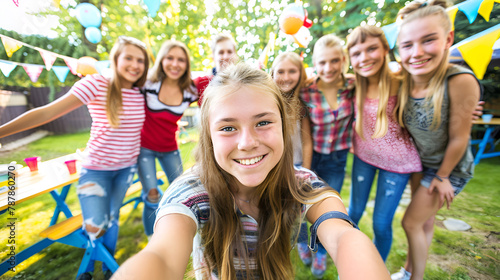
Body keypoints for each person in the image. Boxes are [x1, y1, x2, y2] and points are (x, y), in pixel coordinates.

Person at [111, 63, 390, 280]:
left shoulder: (301, 185)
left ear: (283, 124)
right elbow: (160, 256)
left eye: (263, 122)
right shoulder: (192, 192)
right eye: (228, 128)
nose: (247, 143)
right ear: (209, 136)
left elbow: (343, 237)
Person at [0, 36, 149, 280]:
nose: (134, 65)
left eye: (140, 60)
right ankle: (99, 269)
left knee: (111, 220)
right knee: (95, 225)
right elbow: (47, 112)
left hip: (126, 169)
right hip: (96, 170)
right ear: (116, 59)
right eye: (128, 58)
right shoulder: (96, 84)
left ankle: (95, 270)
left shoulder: (141, 92)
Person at [392, 1, 481, 279]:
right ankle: (409, 270)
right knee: (424, 221)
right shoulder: (403, 78)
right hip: (421, 164)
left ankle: (414, 277)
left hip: (449, 168)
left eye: (428, 40)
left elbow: (459, 138)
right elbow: (365, 77)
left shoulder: (459, 81)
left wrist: (442, 177)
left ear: (448, 39)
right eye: (407, 45)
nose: (417, 53)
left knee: (411, 222)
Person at [345, 25, 423, 263]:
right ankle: (350, 262)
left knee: (381, 223)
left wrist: (468, 107)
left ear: (386, 49)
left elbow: (435, 96)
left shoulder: (404, 82)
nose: (364, 58)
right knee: (353, 213)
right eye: (357, 53)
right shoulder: (353, 84)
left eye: (371, 49)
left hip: (397, 164)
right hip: (363, 157)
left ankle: (376, 269)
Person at [299, 34, 355, 278]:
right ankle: (303, 242)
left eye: (334, 61)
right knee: (300, 204)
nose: (328, 68)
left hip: (337, 158)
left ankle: (321, 253)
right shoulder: (307, 91)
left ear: (343, 60)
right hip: (314, 155)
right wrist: (306, 169)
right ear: (314, 63)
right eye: (322, 62)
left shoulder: (353, 86)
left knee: (330, 208)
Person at [138, 40, 198, 239]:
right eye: (170, 58)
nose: (175, 64)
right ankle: (152, 239)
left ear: (186, 64)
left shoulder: (190, 90)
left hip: (170, 148)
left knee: (182, 193)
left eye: (181, 60)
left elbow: (213, 91)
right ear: (162, 60)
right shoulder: (148, 83)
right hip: (144, 148)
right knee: (152, 194)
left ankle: (180, 234)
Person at [270, 52, 315, 267]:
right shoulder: (268, 102)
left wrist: (305, 170)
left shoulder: (302, 104)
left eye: (292, 71)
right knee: (279, 210)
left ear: (300, 74)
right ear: (272, 73)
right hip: (275, 165)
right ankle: (278, 246)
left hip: (297, 166)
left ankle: (302, 244)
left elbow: (307, 142)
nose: (286, 76)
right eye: (280, 71)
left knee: (298, 211)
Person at [195, 33, 238, 104]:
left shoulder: (247, 82)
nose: (225, 56)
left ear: (235, 55)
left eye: (229, 52)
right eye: (221, 52)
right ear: (213, 57)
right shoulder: (202, 84)